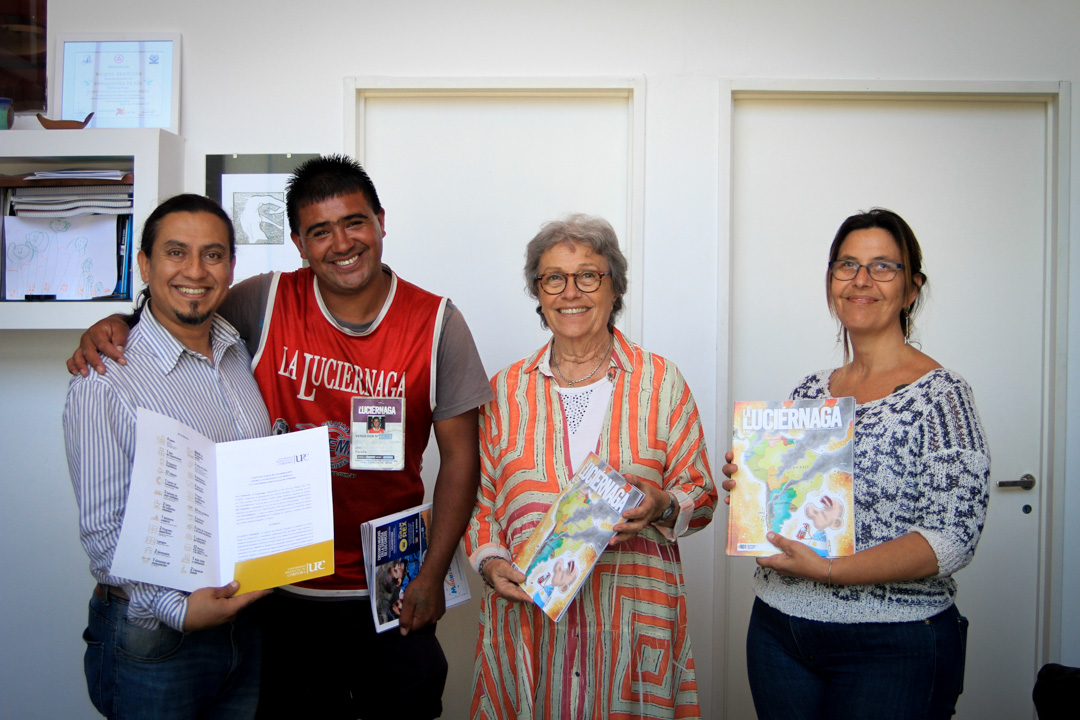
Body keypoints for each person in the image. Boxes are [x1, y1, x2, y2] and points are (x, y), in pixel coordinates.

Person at [68, 155, 494, 720]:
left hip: (390, 584)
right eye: (320, 231)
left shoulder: (437, 321)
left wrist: (433, 573)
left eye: (355, 222)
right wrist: (118, 324)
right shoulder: (263, 301)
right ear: (298, 243)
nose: (341, 243)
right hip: (277, 589)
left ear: (381, 222)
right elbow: (183, 307)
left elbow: (462, 458)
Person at [721, 208, 991, 720]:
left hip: (892, 644)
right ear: (831, 283)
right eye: (847, 265)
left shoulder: (941, 397)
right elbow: (787, 499)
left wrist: (830, 570)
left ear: (911, 289)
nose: (861, 280)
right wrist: (753, 482)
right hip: (779, 630)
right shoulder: (811, 391)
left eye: (883, 266)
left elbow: (952, 538)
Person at [466, 214, 717, 719]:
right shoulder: (504, 391)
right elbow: (480, 504)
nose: (570, 292)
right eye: (553, 278)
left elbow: (703, 496)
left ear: (614, 287)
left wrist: (663, 504)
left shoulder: (661, 381)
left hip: (633, 628)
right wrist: (491, 564)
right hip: (529, 629)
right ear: (538, 292)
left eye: (588, 275)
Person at [63, 194, 273, 719]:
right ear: (144, 264)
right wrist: (175, 608)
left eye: (213, 255)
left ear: (230, 267)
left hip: (245, 624)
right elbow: (104, 533)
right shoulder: (105, 380)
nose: (195, 271)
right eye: (176, 252)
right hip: (156, 636)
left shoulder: (240, 353)